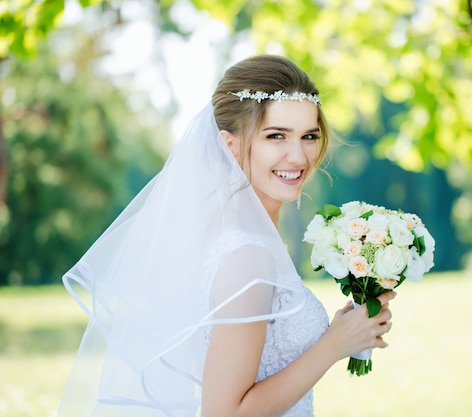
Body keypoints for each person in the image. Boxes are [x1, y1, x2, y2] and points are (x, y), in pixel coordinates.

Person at [58, 55, 395, 417]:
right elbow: (225, 413)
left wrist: (345, 332)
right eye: (276, 136)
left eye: (309, 136)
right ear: (229, 145)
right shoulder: (247, 253)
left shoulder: (239, 233)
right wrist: (332, 345)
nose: (298, 155)